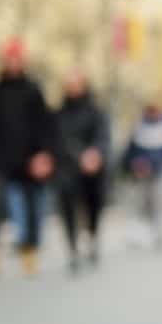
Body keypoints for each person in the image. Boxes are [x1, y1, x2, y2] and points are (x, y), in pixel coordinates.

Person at [0, 38, 55, 277]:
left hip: (30, 159)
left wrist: (43, 154)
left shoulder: (33, 90)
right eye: (9, 58)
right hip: (0, 159)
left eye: (17, 58)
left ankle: (29, 250)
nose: (13, 62)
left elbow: (45, 125)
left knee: (32, 205)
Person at [55, 68, 109, 271]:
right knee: (67, 205)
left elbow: (103, 136)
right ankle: (72, 248)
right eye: (70, 84)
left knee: (94, 204)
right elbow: (59, 140)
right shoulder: (59, 113)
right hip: (68, 167)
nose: (73, 88)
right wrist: (80, 157)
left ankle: (92, 236)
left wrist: (95, 154)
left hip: (93, 168)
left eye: (77, 84)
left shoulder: (96, 111)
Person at [123, 103, 162, 249]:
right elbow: (130, 152)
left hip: (161, 172)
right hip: (142, 174)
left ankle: (160, 234)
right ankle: (142, 235)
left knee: (159, 204)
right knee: (142, 205)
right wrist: (136, 164)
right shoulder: (138, 130)